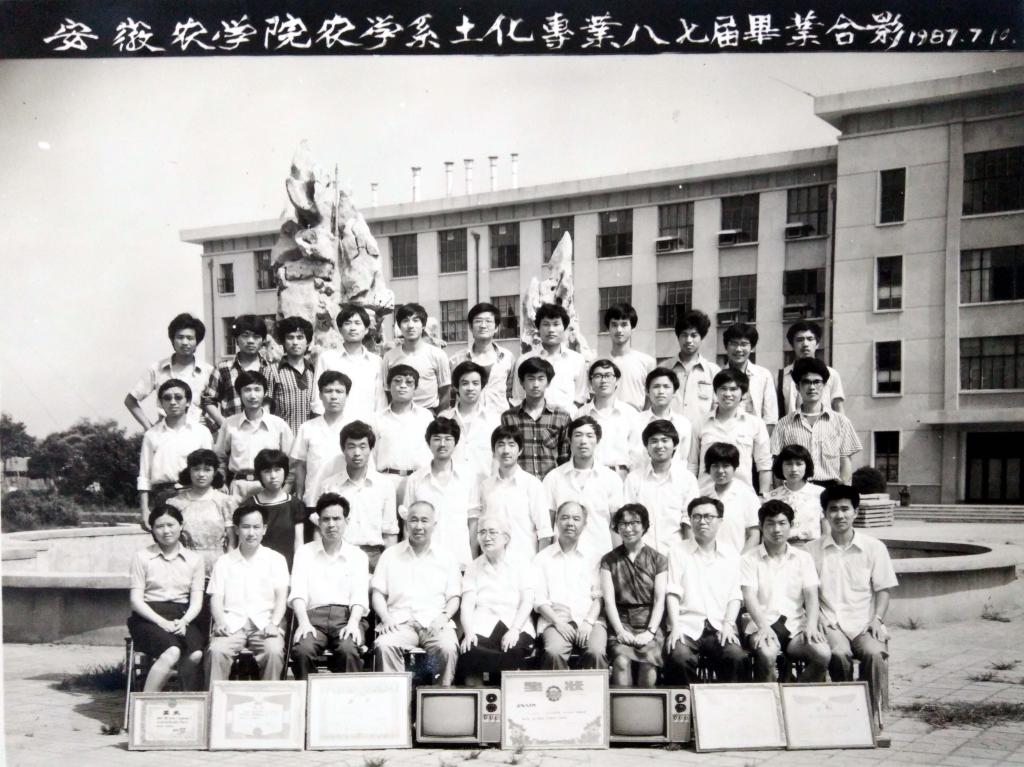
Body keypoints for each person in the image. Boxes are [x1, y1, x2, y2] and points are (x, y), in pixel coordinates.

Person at [809, 485, 898, 726]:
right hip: (830, 623)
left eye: (845, 509)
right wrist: (817, 618)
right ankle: (845, 713)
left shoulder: (874, 547)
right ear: (825, 514)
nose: (839, 515)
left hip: (864, 622)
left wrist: (877, 619)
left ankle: (870, 716)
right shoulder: (812, 550)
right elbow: (808, 593)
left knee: (874, 654)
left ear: (856, 512)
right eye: (833, 509)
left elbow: (883, 589)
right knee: (838, 654)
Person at [371, 501, 462, 686]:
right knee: (384, 645)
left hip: (435, 622)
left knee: (448, 647)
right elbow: (378, 593)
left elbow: (454, 596)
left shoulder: (447, 557)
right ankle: (396, 698)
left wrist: (444, 616)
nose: (418, 526)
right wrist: (386, 618)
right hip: (399, 623)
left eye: (424, 520)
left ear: (434, 524)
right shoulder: (390, 555)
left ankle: (439, 697)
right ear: (406, 524)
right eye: (413, 520)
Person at [740, 500, 830, 683]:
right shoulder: (749, 559)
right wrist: (763, 627)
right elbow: (749, 596)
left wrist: (811, 625)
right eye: (770, 524)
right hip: (761, 624)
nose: (776, 529)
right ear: (761, 526)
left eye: (782, 523)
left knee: (823, 654)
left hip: (795, 626)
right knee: (767, 654)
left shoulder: (803, 558)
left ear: (791, 525)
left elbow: (811, 595)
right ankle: (769, 697)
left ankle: (795, 693)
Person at [664, 497, 748, 685]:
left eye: (709, 516)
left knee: (736, 656)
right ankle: (691, 703)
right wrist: (675, 627)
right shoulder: (677, 551)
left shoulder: (731, 555)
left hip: (720, 625)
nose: (702, 521)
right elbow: (673, 592)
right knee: (679, 657)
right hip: (686, 625)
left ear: (720, 521)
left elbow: (735, 596)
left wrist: (728, 624)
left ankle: (727, 703)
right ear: (690, 520)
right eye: (697, 516)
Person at [288, 493, 370, 678]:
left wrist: (353, 624)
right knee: (302, 651)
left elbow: (359, 595)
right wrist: (303, 623)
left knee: (349, 650)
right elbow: (298, 592)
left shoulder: (358, 556)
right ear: (318, 522)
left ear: (347, 521)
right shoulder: (304, 553)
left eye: (336, 518)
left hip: (346, 617)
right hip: (312, 619)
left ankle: (346, 696)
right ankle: (309, 695)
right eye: (326, 519)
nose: (331, 524)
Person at [206, 505, 290, 684]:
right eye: (246, 527)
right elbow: (216, 597)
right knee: (216, 651)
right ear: (237, 529)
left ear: (264, 529)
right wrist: (220, 621)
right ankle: (215, 700)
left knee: (274, 651)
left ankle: (270, 699)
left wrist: (274, 623)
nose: (251, 533)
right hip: (232, 625)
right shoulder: (224, 562)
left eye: (256, 527)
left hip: (265, 624)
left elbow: (281, 597)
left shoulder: (276, 559)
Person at [127, 504, 205, 691]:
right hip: (148, 617)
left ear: (181, 525)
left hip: (182, 617)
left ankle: (187, 699)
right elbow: (136, 600)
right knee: (172, 651)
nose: (166, 531)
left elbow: (196, 601)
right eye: (160, 526)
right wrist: (162, 622)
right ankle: (144, 702)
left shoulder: (195, 559)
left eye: (171, 525)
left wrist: (184, 621)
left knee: (195, 654)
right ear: (153, 530)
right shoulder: (142, 557)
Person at [458, 513, 536, 685]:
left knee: (512, 650)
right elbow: (467, 605)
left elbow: (527, 601)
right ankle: (480, 697)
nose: (487, 537)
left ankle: (507, 699)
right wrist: (469, 632)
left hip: (516, 623)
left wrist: (515, 629)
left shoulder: (522, 563)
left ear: (506, 538)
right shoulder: (473, 567)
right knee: (469, 651)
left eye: (492, 532)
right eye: (482, 532)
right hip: (482, 624)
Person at [532, 501, 607, 671]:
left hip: (590, 620)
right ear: (556, 521)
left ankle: (594, 690)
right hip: (555, 620)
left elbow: (600, 596)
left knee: (596, 652)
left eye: (576, 518)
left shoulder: (595, 557)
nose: (570, 523)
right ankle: (557, 689)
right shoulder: (542, 558)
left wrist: (588, 622)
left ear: (584, 524)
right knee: (553, 652)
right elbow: (539, 599)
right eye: (564, 517)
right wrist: (558, 623)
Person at [600, 504, 668, 688]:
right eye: (623, 524)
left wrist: (650, 632)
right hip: (621, 621)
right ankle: (623, 707)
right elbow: (609, 601)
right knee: (621, 662)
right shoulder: (608, 560)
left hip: (650, 621)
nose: (628, 528)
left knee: (648, 662)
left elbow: (659, 600)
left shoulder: (659, 559)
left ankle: (646, 706)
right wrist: (620, 631)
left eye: (634, 523)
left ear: (644, 526)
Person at [318, 420, 399, 572]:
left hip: (374, 557)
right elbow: (321, 529)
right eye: (351, 446)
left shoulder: (384, 485)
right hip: (339, 554)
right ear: (343, 449)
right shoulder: (329, 486)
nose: (357, 453)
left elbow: (390, 533)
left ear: (371, 449)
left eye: (362, 446)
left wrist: (389, 568)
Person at [402, 417, 481, 570]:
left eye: (448, 439)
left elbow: (473, 522)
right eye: (437, 439)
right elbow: (407, 523)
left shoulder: (468, 478)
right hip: (424, 561)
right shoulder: (415, 479)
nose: (442, 444)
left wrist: (472, 560)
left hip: (460, 559)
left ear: (455, 443)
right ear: (429, 443)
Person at [771, 358, 862, 488]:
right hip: (797, 490)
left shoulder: (841, 422)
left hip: (830, 490)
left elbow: (845, 462)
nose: (812, 387)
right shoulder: (783, 425)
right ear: (798, 387)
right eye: (806, 382)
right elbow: (777, 465)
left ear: (824, 385)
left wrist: (843, 489)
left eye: (817, 382)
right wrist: (782, 493)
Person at [543, 415, 624, 557]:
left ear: (597, 440)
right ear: (569, 440)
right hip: (563, 557)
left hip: (600, 555)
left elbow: (616, 525)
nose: (583, 441)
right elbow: (546, 525)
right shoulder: (553, 478)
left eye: (589, 436)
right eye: (578, 435)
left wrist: (618, 561)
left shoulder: (611, 478)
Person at [137, 379, 213, 526]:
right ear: (161, 403)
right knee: (167, 538)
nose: (173, 402)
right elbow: (144, 476)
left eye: (178, 397)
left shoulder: (202, 432)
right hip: (163, 496)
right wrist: (144, 510)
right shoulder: (151, 435)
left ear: (188, 402)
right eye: (167, 398)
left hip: (195, 493)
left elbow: (210, 470)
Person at [213, 370, 294, 499]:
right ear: (239, 393)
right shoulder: (229, 424)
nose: (252, 395)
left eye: (257, 389)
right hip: (238, 488)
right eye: (247, 390)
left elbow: (292, 463)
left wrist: (285, 490)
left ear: (264, 392)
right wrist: (221, 482)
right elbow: (219, 458)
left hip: (270, 487)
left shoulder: (279, 425)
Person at [689, 368, 772, 494]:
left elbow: (764, 464)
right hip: (706, 495)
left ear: (743, 393)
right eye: (723, 388)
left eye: (733, 389)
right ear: (715, 391)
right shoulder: (699, 423)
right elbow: (692, 465)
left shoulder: (755, 424)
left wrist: (763, 495)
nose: (728, 394)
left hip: (742, 495)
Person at [479, 425, 553, 565]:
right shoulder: (486, 486)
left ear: (520, 450)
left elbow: (545, 534)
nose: (506, 450)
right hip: (493, 566)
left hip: (525, 564)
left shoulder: (532, 484)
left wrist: (538, 568)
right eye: (501, 444)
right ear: (493, 451)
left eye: (511, 445)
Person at [125, 313, 213, 429]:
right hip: (165, 432)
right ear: (172, 340)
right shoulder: (157, 369)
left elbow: (217, 404)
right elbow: (130, 400)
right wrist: (149, 428)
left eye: (190, 338)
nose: (185, 342)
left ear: (197, 342)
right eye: (180, 337)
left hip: (197, 432)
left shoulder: (208, 371)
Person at [624, 420, 699, 553]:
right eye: (654, 441)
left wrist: (689, 555)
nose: (659, 445)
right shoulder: (633, 479)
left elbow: (689, 521)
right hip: (641, 554)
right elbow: (627, 519)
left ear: (675, 445)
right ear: (646, 446)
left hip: (675, 553)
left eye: (665, 440)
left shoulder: (687, 479)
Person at [291, 371, 352, 527]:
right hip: (313, 499)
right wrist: (300, 496)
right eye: (328, 391)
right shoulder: (307, 428)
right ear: (320, 395)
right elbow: (300, 466)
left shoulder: (354, 427)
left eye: (339, 391)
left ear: (347, 395)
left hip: (346, 499)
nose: (333, 396)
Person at [311, 304, 387, 425]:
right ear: (340, 329)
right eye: (347, 323)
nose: (352, 328)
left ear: (366, 329)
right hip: (334, 428)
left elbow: (380, 402)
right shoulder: (327, 358)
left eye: (357, 323)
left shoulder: (376, 361)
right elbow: (317, 402)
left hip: (367, 428)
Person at [370, 364, 434, 505]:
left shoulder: (426, 417)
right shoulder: (377, 418)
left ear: (415, 388)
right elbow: (372, 454)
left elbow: (431, 450)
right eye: (397, 381)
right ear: (388, 385)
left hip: (418, 481)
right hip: (387, 481)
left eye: (409, 382)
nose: (403, 386)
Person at [167, 449, 236, 578]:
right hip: (185, 564)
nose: (201, 474)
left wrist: (229, 565)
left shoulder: (225, 501)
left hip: (218, 565)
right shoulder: (176, 503)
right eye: (196, 469)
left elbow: (231, 540)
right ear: (189, 471)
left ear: (215, 472)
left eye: (207, 470)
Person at [500, 357, 571, 480]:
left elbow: (565, 457)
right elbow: (505, 454)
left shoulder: (561, 416)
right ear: (522, 382)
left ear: (548, 382)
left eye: (541, 379)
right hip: (520, 483)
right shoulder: (509, 417)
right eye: (531, 379)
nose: (536, 384)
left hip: (550, 483)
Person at [511, 303, 589, 415]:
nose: (551, 329)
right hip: (533, 421)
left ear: (564, 327)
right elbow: (518, 398)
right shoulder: (524, 360)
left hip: (567, 421)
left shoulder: (577, 360)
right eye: (546, 324)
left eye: (556, 324)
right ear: (538, 328)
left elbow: (580, 397)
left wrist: (568, 416)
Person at [234, 448, 306, 569]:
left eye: (277, 470)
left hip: (287, 568)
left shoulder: (295, 504)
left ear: (285, 471)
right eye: (267, 471)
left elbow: (299, 543)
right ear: (259, 475)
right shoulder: (250, 505)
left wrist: (297, 570)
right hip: (257, 568)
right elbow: (243, 542)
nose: (273, 476)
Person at [201, 315, 273, 432]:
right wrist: (225, 424)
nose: (250, 341)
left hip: (264, 431)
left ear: (263, 340)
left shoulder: (271, 369)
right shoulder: (223, 368)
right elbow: (208, 400)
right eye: (245, 336)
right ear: (236, 339)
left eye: (256, 336)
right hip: (234, 432)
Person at [448, 302, 516, 413]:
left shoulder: (508, 358)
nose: (483, 326)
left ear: (496, 328)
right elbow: (451, 394)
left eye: (488, 321)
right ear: (471, 327)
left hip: (500, 419)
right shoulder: (456, 360)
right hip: (468, 420)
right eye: (478, 321)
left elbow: (511, 393)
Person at [439, 361, 501, 481]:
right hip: (452, 485)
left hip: (484, 485)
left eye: (475, 383)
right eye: (465, 383)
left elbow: (498, 457)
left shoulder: (494, 420)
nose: (470, 388)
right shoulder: (445, 418)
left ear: (482, 386)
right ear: (456, 386)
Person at [383, 303, 451, 412]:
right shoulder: (389, 357)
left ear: (423, 325)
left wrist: (439, 418)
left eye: (415, 320)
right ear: (399, 326)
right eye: (405, 320)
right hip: (399, 413)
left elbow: (445, 391)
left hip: (429, 413)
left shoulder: (438, 355)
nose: (410, 325)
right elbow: (387, 392)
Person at [656, 309, 720, 425]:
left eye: (694, 335)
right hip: (669, 431)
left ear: (701, 337)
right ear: (678, 337)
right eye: (684, 335)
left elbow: (717, 406)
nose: (689, 340)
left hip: (701, 431)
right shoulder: (663, 369)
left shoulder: (713, 371)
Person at [627, 367, 692, 472]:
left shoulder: (683, 424)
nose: (661, 391)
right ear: (647, 391)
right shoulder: (634, 421)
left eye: (666, 386)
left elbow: (683, 458)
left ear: (674, 392)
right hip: (639, 478)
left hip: (673, 479)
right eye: (656, 386)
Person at [579, 359, 635, 480]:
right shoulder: (581, 414)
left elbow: (638, 454)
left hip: (621, 475)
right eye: (598, 376)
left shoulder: (630, 413)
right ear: (591, 382)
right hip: (589, 476)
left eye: (608, 375)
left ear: (617, 380)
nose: (603, 380)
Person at [704, 442, 761, 554]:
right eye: (715, 465)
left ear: (734, 467)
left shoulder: (747, 496)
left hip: (737, 559)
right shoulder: (703, 496)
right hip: (706, 559)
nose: (720, 471)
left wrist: (740, 560)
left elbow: (754, 536)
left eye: (726, 466)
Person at [766, 444, 828, 546]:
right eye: (788, 464)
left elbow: (827, 533)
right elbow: (767, 535)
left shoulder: (820, 493)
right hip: (782, 549)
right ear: (781, 466)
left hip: (813, 548)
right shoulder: (771, 497)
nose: (794, 469)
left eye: (799, 464)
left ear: (806, 466)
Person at [723, 323, 778, 430]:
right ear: (726, 347)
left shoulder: (763, 375)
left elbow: (770, 418)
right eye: (734, 343)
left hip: (756, 434)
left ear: (752, 347)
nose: (738, 349)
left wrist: (763, 438)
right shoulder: (717, 374)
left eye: (744, 344)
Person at [266, 316, 316, 436]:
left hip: (310, 438)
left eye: (300, 337)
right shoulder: (272, 370)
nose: (295, 342)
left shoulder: (315, 371)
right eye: (290, 337)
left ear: (308, 342)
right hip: (283, 438)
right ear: (283, 341)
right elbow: (265, 408)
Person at [782, 322, 845, 414]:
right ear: (792, 345)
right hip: (790, 422)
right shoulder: (781, 377)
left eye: (810, 339)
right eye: (799, 340)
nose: (805, 344)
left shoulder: (831, 374)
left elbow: (838, 408)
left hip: (824, 422)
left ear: (817, 344)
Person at [604, 303, 656, 411]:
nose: (619, 330)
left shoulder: (647, 362)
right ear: (608, 328)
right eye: (614, 325)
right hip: (606, 418)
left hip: (637, 418)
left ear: (632, 328)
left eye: (624, 325)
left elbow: (651, 397)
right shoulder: (599, 362)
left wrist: (642, 418)